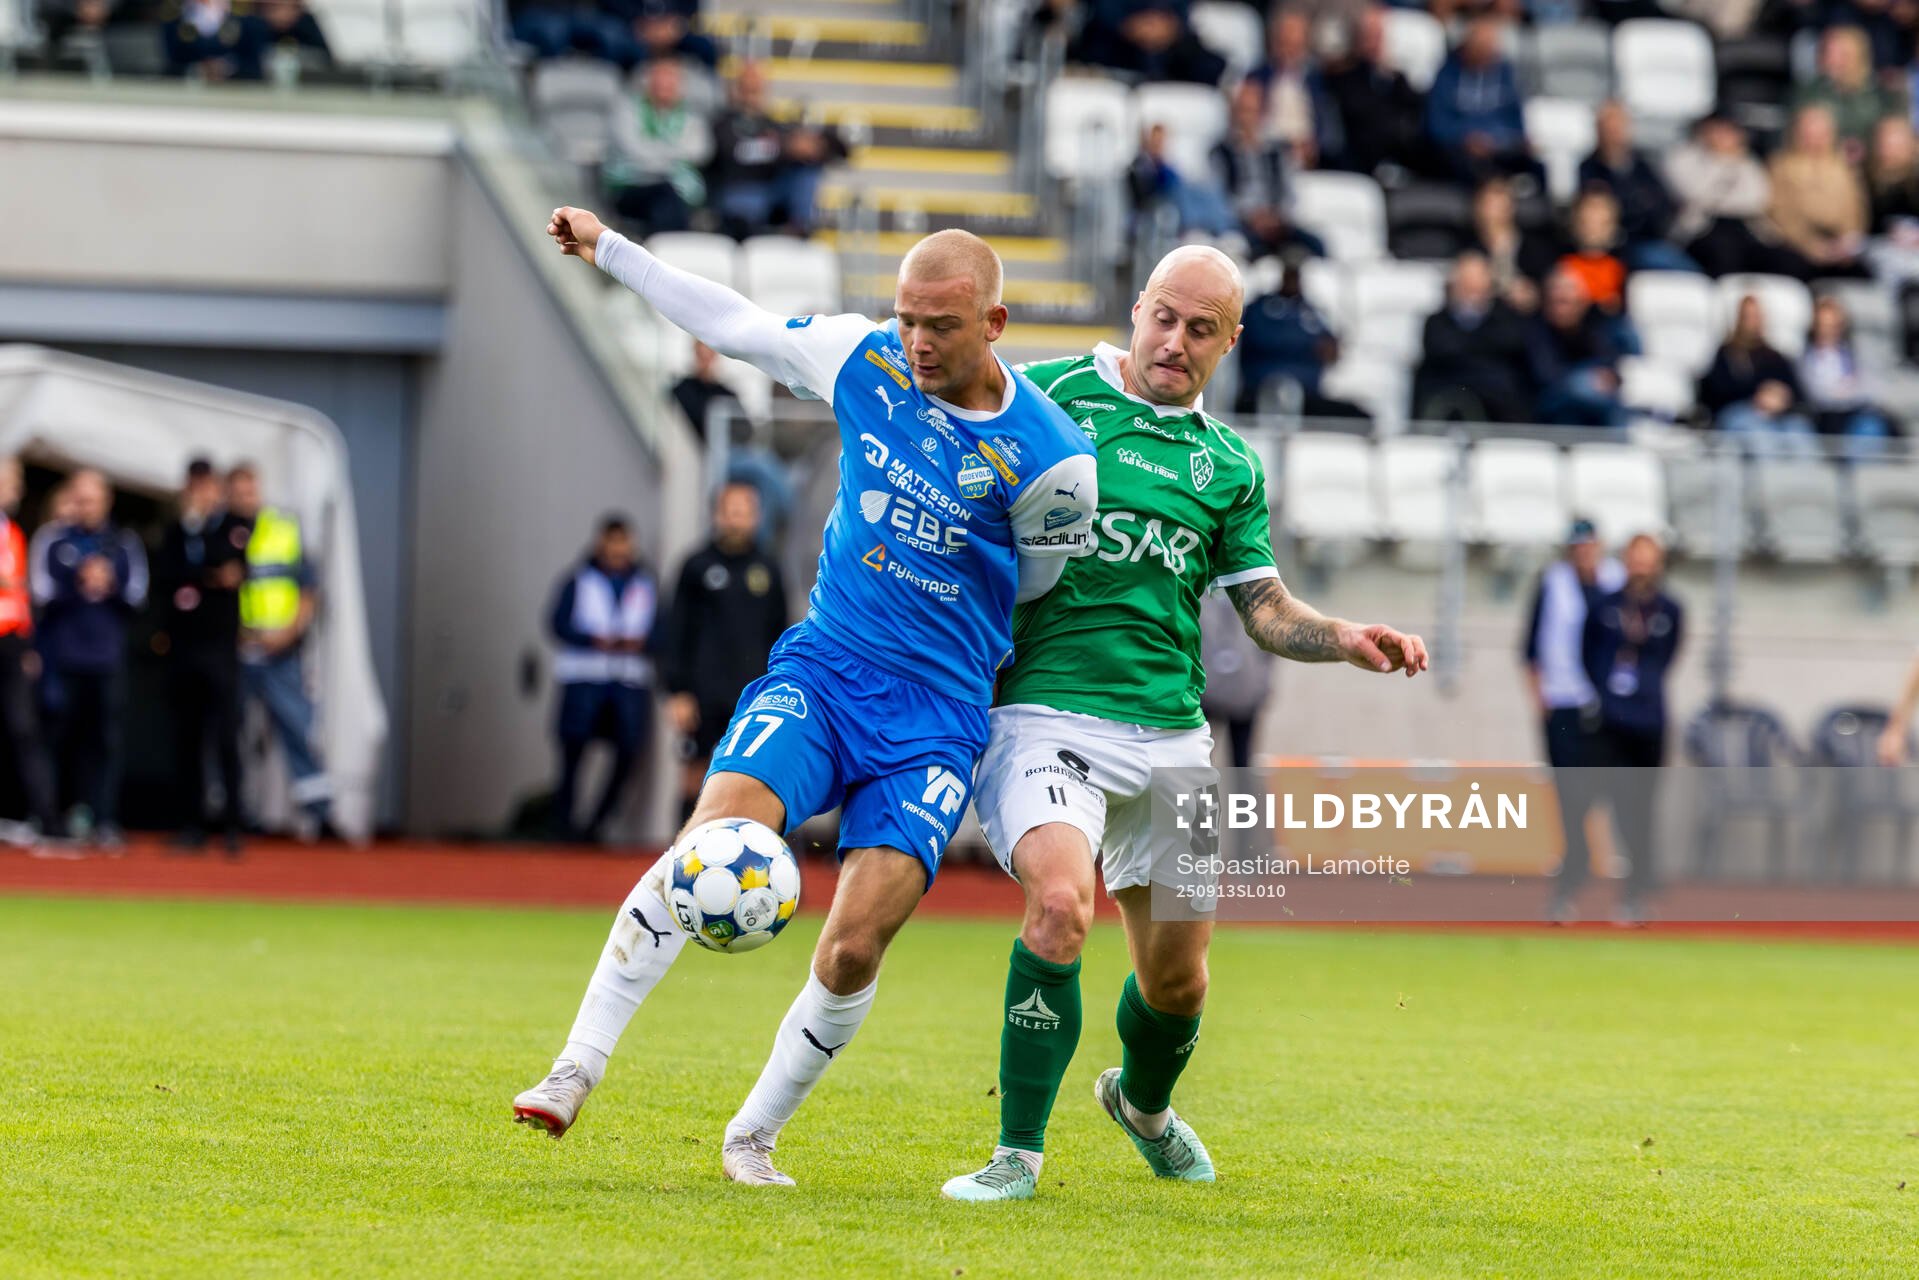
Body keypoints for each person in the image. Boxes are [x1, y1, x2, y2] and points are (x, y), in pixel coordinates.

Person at [512, 208, 1099, 1186]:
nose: (915, 340)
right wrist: (611, 248)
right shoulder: (861, 359)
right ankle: (576, 1062)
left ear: (992, 325)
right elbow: (732, 319)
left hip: (937, 719)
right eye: (906, 316)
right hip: (825, 670)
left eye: (940, 324)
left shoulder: (1053, 461)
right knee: (705, 848)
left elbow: (1035, 591)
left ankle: (751, 1134)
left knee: (853, 944)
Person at [938, 244, 1428, 1201]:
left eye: (1200, 328)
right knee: (1058, 909)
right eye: (1163, 316)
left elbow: (1265, 608)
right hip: (1045, 715)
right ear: (1135, 309)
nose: (1175, 340)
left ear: (1229, 342)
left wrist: (1343, 637)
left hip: (1171, 733)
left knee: (1180, 985)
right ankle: (1016, 1156)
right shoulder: (1044, 398)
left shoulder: (1229, 466)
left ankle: (1143, 1106)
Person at [657, 482, 789, 826]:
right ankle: (681, 857)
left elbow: (782, 634)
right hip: (702, 692)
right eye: (731, 510)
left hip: (754, 694)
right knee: (695, 773)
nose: (736, 519)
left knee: (755, 777)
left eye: (744, 511)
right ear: (718, 513)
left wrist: (781, 689)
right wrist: (677, 691)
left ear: (756, 517)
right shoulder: (696, 566)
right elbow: (676, 631)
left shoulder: (768, 569)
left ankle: (750, 859)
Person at [29, 469, 146, 848]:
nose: (84, 506)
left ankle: (104, 819)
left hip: (107, 658)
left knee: (105, 741)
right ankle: (51, 818)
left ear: (106, 501)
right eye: (78, 498)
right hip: (63, 657)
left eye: (91, 499)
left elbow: (136, 597)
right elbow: (39, 594)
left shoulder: (124, 542)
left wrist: (108, 584)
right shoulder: (54, 538)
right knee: (57, 738)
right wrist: (78, 580)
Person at [1522, 518, 1625, 924]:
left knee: (1608, 791)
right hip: (1563, 701)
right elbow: (1530, 646)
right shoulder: (1553, 583)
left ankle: (1616, 880)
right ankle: (1575, 868)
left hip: (1610, 707)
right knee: (1569, 791)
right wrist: (1540, 699)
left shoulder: (1618, 583)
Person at [227, 465, 336, 840]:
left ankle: (321, 815)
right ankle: (238, 815)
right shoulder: (220, 532)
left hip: (280, 651)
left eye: (250, 489)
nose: (246, 497)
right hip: (238, 649)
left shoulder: (282, 529)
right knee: (235, 736)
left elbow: (309, 589)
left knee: (297, 727)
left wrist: (288, 633)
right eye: (238, 491)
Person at [1578, 533, 1682, 925]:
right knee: (1613, 803)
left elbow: (1668, 655)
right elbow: (1587, 654)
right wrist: (1608, 695)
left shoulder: (1668, 610)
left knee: (1643, 807)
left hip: (1649, 721)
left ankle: (1637, 889)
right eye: (1636, 559)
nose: (1642, 566)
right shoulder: (1605, 606)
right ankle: (1601, 880)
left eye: (1649, 559)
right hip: (1610, 721)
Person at [151, 458, 247, 854]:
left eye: (207, 487)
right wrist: (206, 575)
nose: (200, 494)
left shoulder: (230, 528)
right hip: (184, 649)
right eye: (194, 486)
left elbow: (229, 567)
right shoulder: (176, 531)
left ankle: (233, 827)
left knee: (226, 738)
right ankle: (191, 825)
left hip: (220, 648)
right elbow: (167, 576)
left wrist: (202, 572)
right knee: (186, 740)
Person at [546, 515, 658, 843]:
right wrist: (592, 639)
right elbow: (556, 624)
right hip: (583, 676)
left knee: (627, 750)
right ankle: (564, 824)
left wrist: (642, 643)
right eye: (613, 541)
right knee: (573, 751)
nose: (619, 548)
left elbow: (661, 630)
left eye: (624, 541)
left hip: (628, 680)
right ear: (601, 543)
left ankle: (596, 823)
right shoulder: (579, 579)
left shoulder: (644, 582)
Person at [0, 458, 61, 843]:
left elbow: (19, 595)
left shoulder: (14, 532)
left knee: (23, 729)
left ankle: (42, 818)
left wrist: (27, 643)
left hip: (10, 642)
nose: (17, 488)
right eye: (11, 480)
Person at [1233, 256, 1363, 418]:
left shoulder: (1312, 311)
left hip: (1310, 396)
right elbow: (1262, 339)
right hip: (1259, 393)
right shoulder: (1260, 308)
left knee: (1357, 416)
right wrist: (1307, 343)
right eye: (1289, 274)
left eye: (1297, 275)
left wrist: (1329, 347)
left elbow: (1331, 347)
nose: (1293, 280)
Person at [1414, 251, 1534, 422]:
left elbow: (1512, 345)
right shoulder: (1436, 321)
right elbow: (1441, 350)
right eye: (1466, 281)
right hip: (1446, 393)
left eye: (1477, 281)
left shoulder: (1506, 317)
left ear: (1489, 283)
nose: (1472, 288)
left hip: (1498, 407)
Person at [1577, 102, 1693, 274]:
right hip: (1622, 246)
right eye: (1609, 126)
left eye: (1619, 126)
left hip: (1651, 237)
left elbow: (1664, 205)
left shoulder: (1643, 166)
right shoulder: (1588, 169)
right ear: (1598, 129)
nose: (1614, 133)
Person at [1425, 17, 1539, 186]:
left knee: (1536, 165)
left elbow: (1516, 121)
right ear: (1467, 48)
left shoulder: (1504, 72)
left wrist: (1508, 140)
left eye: (1490, 50)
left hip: (1499, 148)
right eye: (1481, 49)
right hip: (1460, 150)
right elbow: (1436, 124)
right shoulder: (1447, 75)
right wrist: (1465, 138)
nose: (1488, 56)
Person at [605, 58, 712, 237]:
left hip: (676, 190)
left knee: (667, 198)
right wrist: (674, 156)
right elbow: (634, 149)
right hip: (632, 186)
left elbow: (700, 151)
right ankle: (672, 250)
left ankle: (661, 248)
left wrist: (655, 153)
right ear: (647, 85)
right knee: (665, 195)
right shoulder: (627, 111)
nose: (664, 88)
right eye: (658, 83)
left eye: (670, 83)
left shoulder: (692, 116)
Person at [1699, 295, 1819, 454]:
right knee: (1759, 432)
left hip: (1779, 416)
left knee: (1798, 429)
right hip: (1739, 414)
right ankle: (1770, 478)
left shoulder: (1775, 356)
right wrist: (1758, 398)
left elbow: (1796, 392)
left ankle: (1808, 477)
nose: (1754, 322)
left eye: (1757, 316)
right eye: (1749, 317)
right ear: (1739, 319)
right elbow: (1714, 392)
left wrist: (1781, 398)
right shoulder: (1726, 354)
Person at [1663, 114, 1777, 278]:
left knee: (1776, 257)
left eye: (1730, 131)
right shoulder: (1683, 157)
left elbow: (1757, 199)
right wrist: (1719, 161)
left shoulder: (1748, 162)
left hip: (1744, 227)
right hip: (1701, 228)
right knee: (1724, 252)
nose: (1724, 137)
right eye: (1718, 130)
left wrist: (1723, 197)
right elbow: (1696, 194)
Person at [1767, 104, 1872, 280]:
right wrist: (1809, 244)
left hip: (1839, 245)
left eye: (1820, 134)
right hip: (1795, 245)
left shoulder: (1843, 167)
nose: (1814, 140)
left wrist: (1846, 241)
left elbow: (1856, 209)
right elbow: (1779, 213)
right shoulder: (1780, 166)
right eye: (1807, 134)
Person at [1321, 3, 1425, 177]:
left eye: (1378, 36)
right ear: (1357, 38)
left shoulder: (1396, 78)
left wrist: (1387, 75)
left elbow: (1415, 109)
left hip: (1398, 158)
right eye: (1368, 35)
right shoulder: (1340, 77)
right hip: (1356, 163)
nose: (1374, 43)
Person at [1527, 270, 1632, 428]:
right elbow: (1546, 375)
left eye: (1567, 301)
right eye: (1556, 300)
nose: (1561, 307)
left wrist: (1606, 377)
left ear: (1582, 303)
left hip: (1593, 401)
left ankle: (1619, 446)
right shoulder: (1535, 330)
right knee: (1583, 387)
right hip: (1548, 402)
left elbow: (1610, 364)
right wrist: (1588, 378)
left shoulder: (1595, 327)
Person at [1791, 25, 1905, 161]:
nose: (1831, 60)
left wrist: (1867, 147)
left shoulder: (1882, 93)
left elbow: (1895, 133)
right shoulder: (1810, 92)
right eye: (1827, 52)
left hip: (1873, 162)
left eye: (1841, 55)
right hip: (1823, 160)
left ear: (1858, 57)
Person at [1798, 295, 1896, 450]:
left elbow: (1871, 388)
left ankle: (1861, 473)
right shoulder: (1805, 356)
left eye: (1834, 325)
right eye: (1824, 325)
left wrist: (1845, 394)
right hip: (1823, 417)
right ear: (1815, 326)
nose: (1829, 331)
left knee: (1871, 425)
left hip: (1854, 413)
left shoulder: (1854, 353)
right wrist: (1844, 392)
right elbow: (1815, 393)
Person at [1245, 7, 1337, 170]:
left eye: (1295, 45)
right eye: (1284, 43)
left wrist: (1314, 148)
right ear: (1273, 42)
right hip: (1266, 156)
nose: (1288, 51)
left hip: (1308, 160)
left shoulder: (1319, 82)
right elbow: (1246, 123)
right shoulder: (1257, 78)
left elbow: (1330, 132)